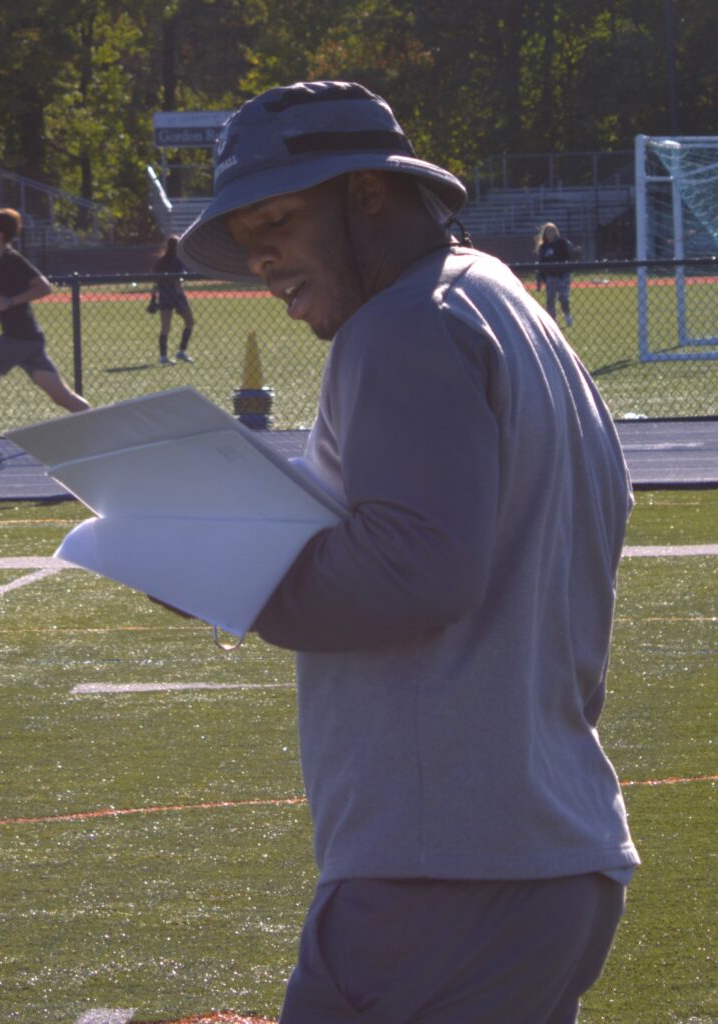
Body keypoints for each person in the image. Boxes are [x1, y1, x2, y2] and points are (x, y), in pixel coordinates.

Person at [179, 81, 639, 1024]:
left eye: (276, 218)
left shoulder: (399, 324)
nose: (259, 255)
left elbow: (415, 568)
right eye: (245, 234)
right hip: (539, 856)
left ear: (368, 194)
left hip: (441, 873)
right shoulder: (510, 306)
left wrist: (210, 568)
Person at [0, 208, 89, 475]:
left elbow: (44, 286)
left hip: (16, 340)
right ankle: (107, 434)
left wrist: (11, 301)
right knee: (62, 397)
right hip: (28, 340)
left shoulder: (12, 260)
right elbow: (2, 300)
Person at [151, 235, 194, 365]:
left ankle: (163, 356)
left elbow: (156, 282)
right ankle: (181, 350)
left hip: (164, 294)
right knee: (189, 321)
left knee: (165, 327)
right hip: (176, 294)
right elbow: (177, 280)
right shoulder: (178, 261)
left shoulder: (160, 262)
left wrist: (153, 298)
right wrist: (180, 296)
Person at [535, 221, 578, 327]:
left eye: (552, 232)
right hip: (550, 276)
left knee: (564, 298)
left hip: (563, 275)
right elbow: (541, 263)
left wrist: (575, 253)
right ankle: (552, 321)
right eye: (548, 232)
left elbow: (571, 254)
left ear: (555, 232)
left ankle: (567, 316)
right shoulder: (543, 247)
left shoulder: (562, 243)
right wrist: (540, 278)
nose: (550, 234)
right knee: (550, 299)